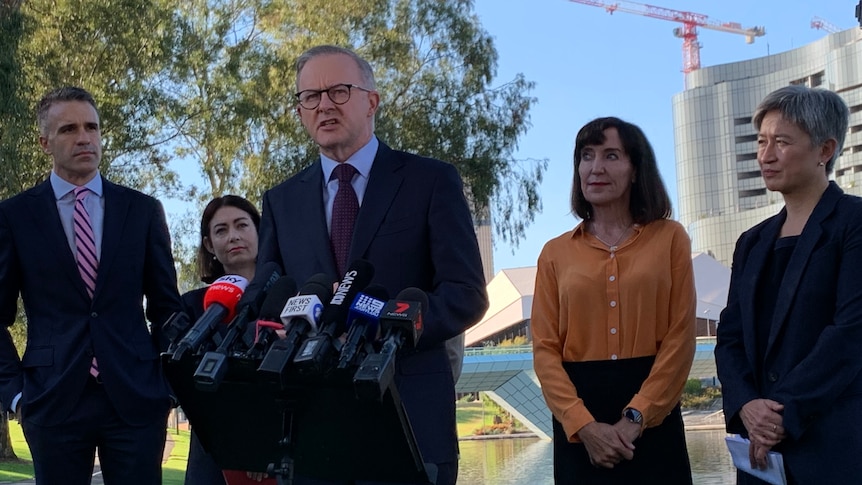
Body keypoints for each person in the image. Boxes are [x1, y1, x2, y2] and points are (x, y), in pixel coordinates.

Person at [256, 44, 488, 485]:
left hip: (411, 421)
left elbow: (465, 294)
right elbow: (270, 297)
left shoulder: (430, 181)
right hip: (314, 427)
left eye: (339, 91)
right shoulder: (280, 202)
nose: (324, 104)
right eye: (310, 97)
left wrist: (384, 326)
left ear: (372, 101)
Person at [0, 86, 182, 484]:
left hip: (136, 397)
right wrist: (14, 394)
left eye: (91, 127)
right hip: (51, 399)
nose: (84, 138)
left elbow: (167, 308)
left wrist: (169, 387)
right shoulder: (14, 216)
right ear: (44, 142)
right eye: (69, 129)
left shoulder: (142, 211)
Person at [531, 116, 696, 484]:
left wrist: (636, 417)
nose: (596, 168)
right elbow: (544, 350)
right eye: (586, 156)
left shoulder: (671, 238)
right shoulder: (554, 253)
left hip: (655, 416)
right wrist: (583, 425)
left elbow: (680, 336)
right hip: (579, 423)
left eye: (611, 156)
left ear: (636, 169)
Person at [715, 85, 862, 484]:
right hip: (760, 458)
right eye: (761, 141)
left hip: (832, 447)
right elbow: (730, 338)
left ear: (825, 150)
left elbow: (850, 335)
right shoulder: (752, 242)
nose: (766, 155)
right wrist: (746, 404)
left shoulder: (853, 223)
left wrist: (780, 412)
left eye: (781, 142)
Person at [182, 195, 273, 485]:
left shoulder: (290, 296)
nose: (233, 236)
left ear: (260, 232)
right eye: (220, 230)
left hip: (279, 448)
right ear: (209, 245)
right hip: (213, 451)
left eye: (242, 225)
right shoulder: (192, 307)